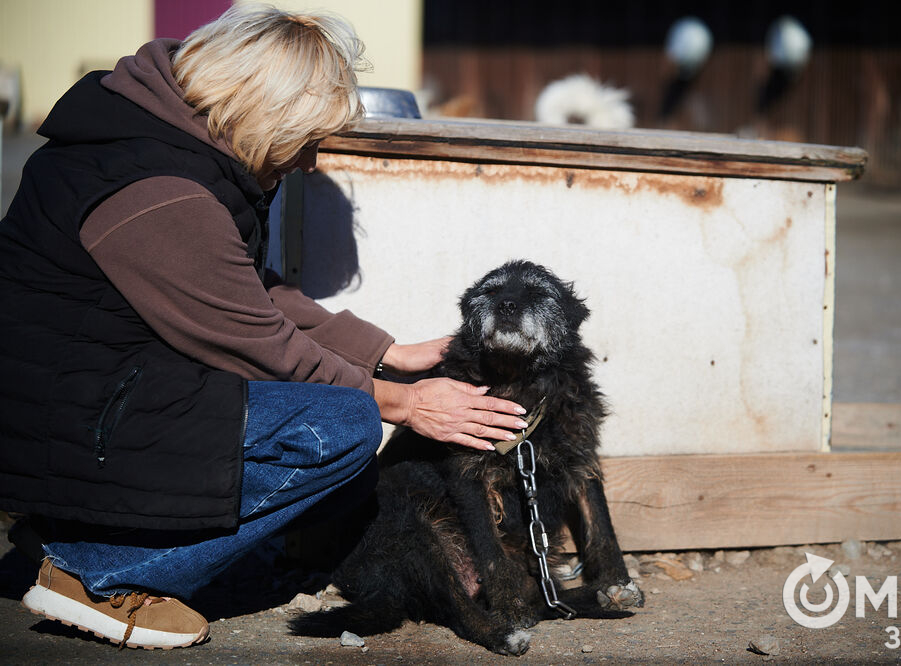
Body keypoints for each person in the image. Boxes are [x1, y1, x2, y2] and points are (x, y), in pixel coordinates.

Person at [0, 4, 528, 650]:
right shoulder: (162, 193)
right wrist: (406, 404)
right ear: (264, 112)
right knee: (343, 427)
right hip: (72, 428)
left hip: (89, 408)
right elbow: (266, 347)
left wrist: (389, 352)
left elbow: (252, 294)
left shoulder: (168, 140)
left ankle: (71, 534)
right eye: (307, 141)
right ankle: (100, 575)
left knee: (329, 409)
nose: (309, 163)